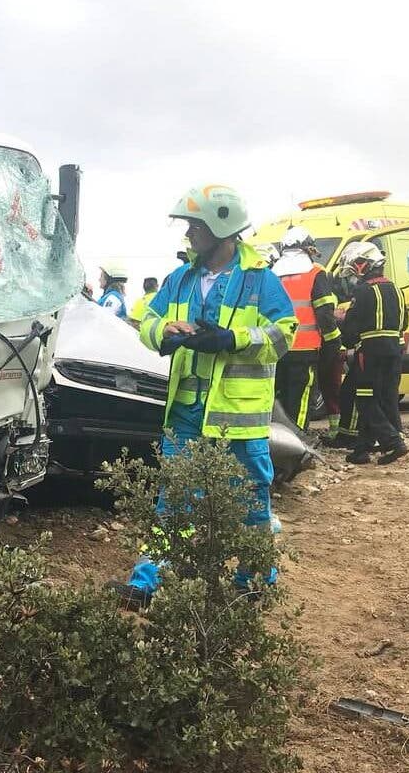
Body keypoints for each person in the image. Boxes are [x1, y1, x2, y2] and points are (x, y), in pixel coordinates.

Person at [110, 184, 298, 608]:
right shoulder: (181, 279)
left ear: (222, 227)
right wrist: (165, 333)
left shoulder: (260, 282)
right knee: (172, 505)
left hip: (239, 418)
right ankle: (147, 585)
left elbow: (284, 333)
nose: (188, 233)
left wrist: (233, 339)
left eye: (195, 225)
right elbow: (147, 321)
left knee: (251, 502)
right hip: (187, 414)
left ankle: (254, 584)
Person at [337, 241, 409, 465]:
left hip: (371, 354)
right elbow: (404, 322)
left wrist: (342, 322)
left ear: (365, 265)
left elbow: (351, 329)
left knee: (366, 399)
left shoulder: (363, 290)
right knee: (384, 397)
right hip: (394, 352)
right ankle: (362, 449)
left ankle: (393, 442)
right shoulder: (396, 289)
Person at [271, 227, 340, 431]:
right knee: (300, 401)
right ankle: (297, 443)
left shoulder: (273, 274)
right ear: (308, 249)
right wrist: (334, 340)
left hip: (277, 348)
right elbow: (325, 312)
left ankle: (278, 444)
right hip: (305, 351)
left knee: (278, 398)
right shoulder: (315, 273)